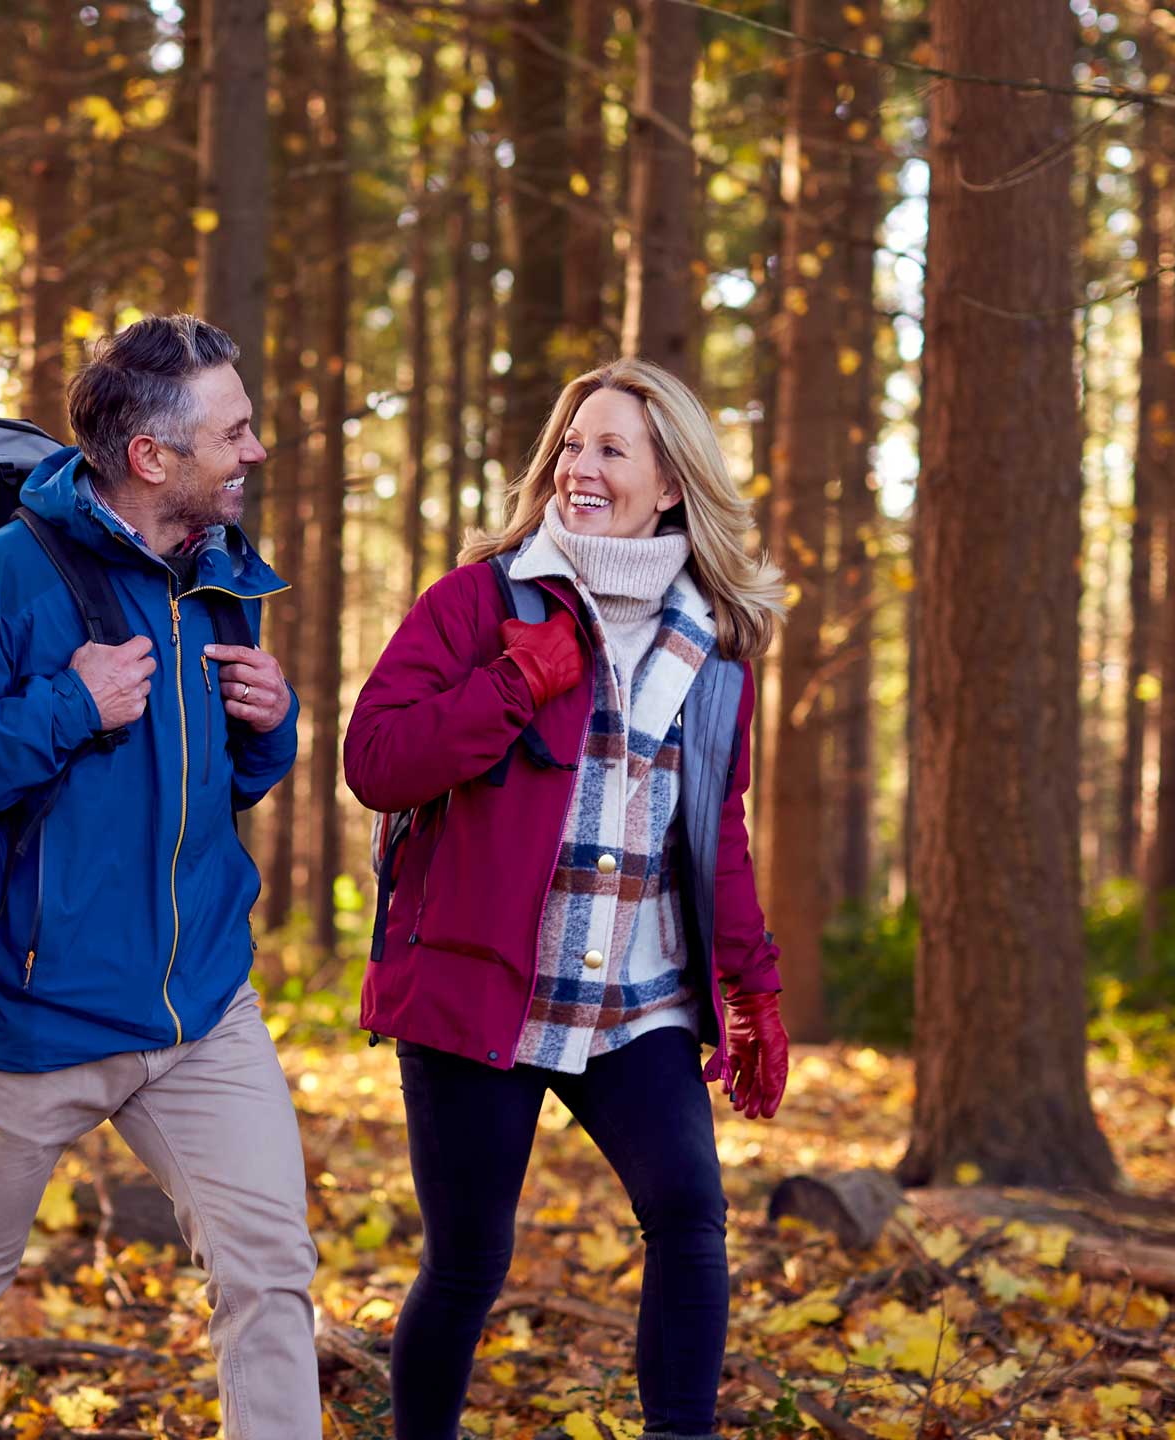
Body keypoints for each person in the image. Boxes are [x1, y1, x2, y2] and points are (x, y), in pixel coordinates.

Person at [0, 315, 320, 1440]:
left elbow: (208, 789)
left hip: (202, 1009)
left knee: (271, 1276)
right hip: (33, 1015)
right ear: (152, 457)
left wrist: (271, 727)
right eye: (234, 430)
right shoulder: (1, 582)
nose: (255, 451)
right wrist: (68, 704)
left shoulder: (220, 578)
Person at [344, 357, 792, 1439]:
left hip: (635, 999)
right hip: (479, 989)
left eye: (610, 449)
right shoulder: (480, 602)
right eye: (571, 445)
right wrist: (509, 683)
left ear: (672, 483)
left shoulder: (714, 649)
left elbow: (713, 833)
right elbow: (377, 759)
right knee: (466, 1265)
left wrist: (751, 989)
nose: (577, 468)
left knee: (689, 1214)